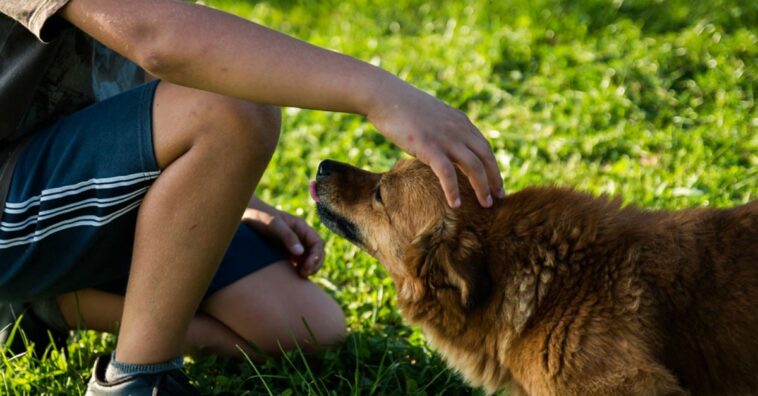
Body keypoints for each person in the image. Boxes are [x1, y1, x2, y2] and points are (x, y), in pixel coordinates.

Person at [0, 0, 504, 394]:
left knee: (303, 328)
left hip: (77, 178)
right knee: (234, 109)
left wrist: (226, 192)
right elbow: (157, 39)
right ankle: (138, 380)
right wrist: (379, 94)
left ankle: (46, 305)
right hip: (11, 194)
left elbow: (150, 55)